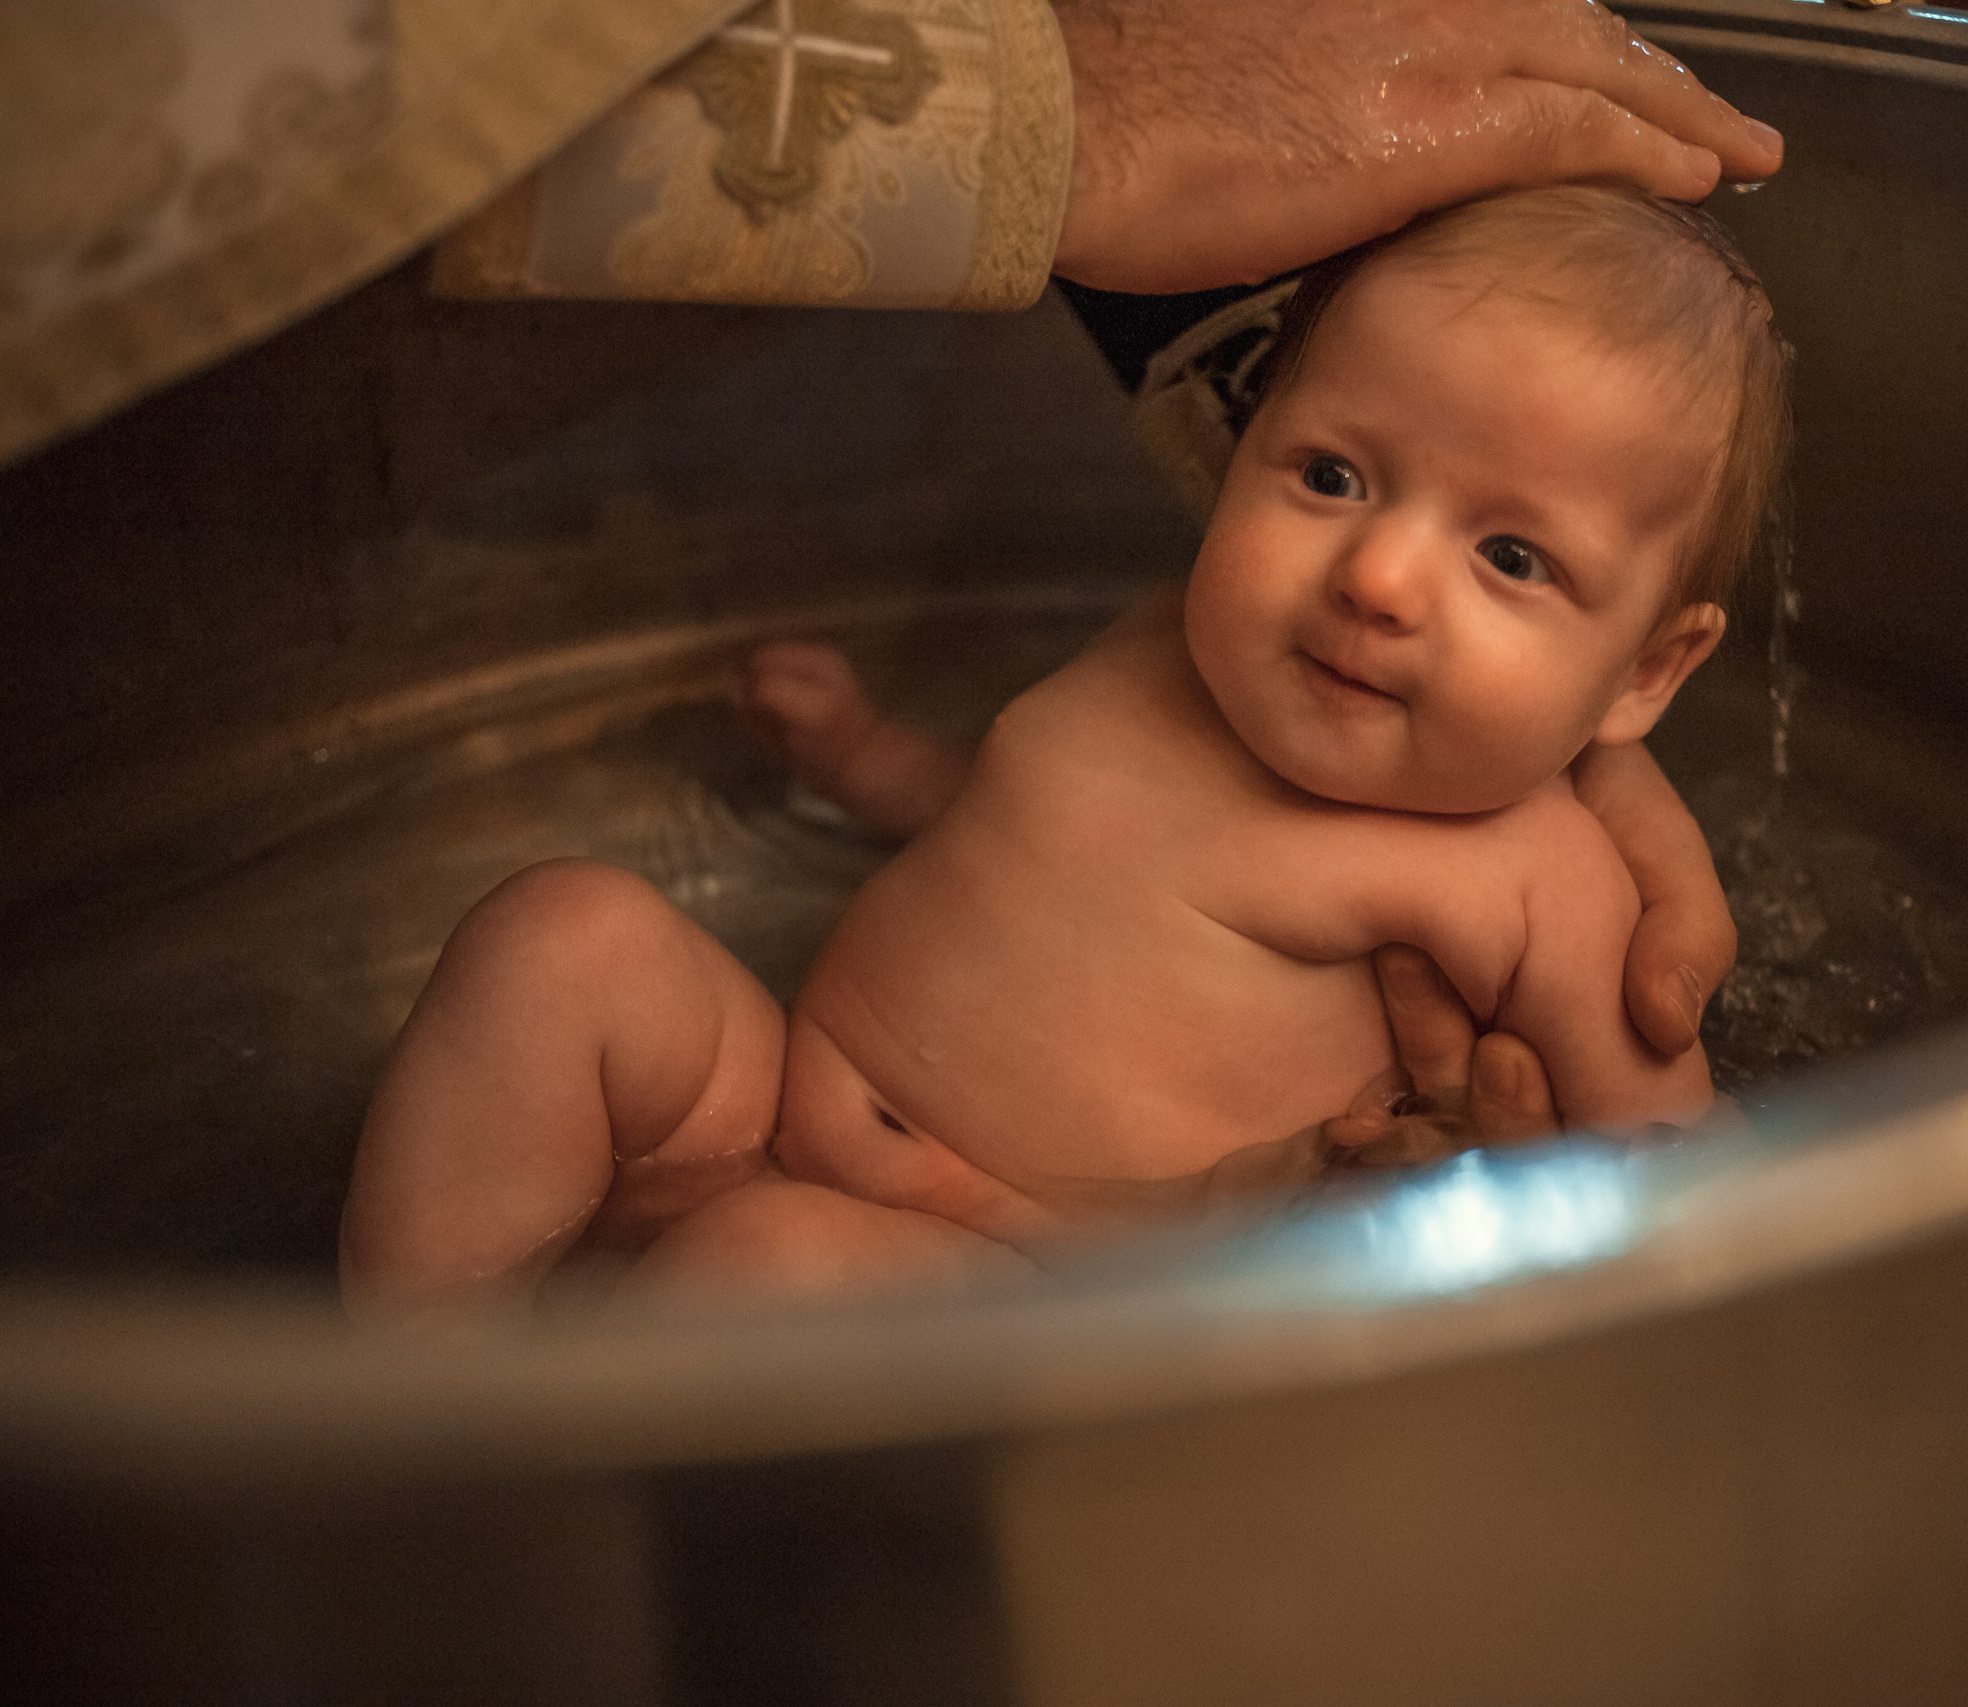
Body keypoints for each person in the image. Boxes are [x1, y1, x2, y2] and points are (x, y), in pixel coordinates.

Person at [339, 182, 1789, 1312]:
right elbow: (1010, 818)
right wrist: (859, 755)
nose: (1380, 578)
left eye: (1514, 559)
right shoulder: (1174, 638)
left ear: (1646, 673)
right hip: (770, 1091)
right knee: (560, 932)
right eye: (1334, 475)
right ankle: (414, 1404)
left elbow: (1687, 1181)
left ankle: (543, 1540)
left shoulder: (1538, 882)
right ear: (1243, 448)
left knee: (768, 1260)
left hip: (1031, 1275)